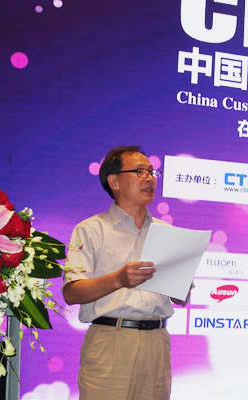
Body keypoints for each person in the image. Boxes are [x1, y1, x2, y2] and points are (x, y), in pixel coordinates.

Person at [63, 145, 188, 400]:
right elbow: (72, 292)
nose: (149, 178)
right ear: (114, 181)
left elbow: (182, 297)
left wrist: (180, 283)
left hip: (156, 343)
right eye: (140, 171)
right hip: (111, 340)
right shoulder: (90, 230)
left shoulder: (167, 233)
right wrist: (118, 279)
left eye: (152, 172)